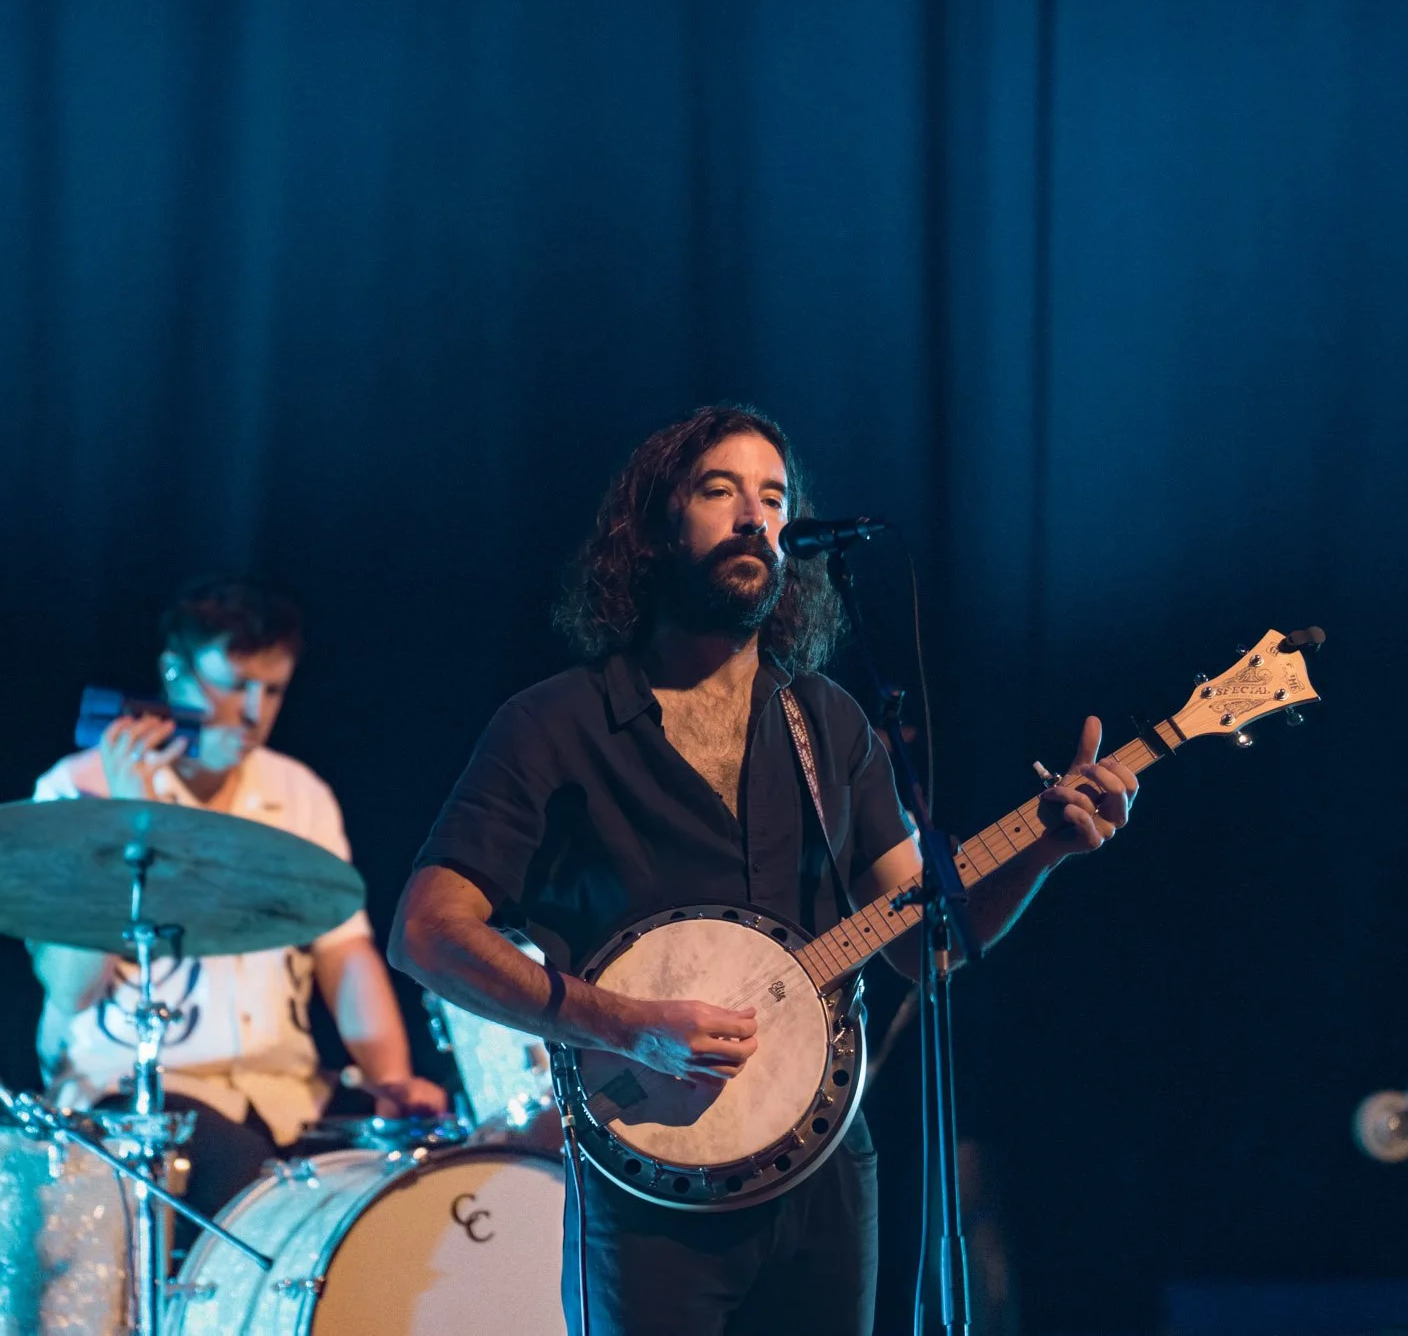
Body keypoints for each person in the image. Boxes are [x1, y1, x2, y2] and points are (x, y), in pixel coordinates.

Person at [388, 406, 1138, 1336]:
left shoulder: (829, 722)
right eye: (720, 491)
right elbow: (426, 931)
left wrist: (1043, 851)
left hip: (826, 1170)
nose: (755, 515)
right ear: (658, 527)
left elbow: (920, 947)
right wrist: (623, 1024)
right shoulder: (553, 724)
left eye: (774, 497)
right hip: (649, 1182)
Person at [29, 578, 445, 1234]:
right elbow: (71, 987)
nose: (252, 711)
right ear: (175, 671)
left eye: (273, 689)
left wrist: (391, 1083)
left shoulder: (299, 792)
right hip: (136, 1093)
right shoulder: (73, 787)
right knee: (250, 1195)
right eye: (233, 683)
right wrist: (128, 816)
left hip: (282, 1092)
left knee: (408, 1185)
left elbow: (345, 953)